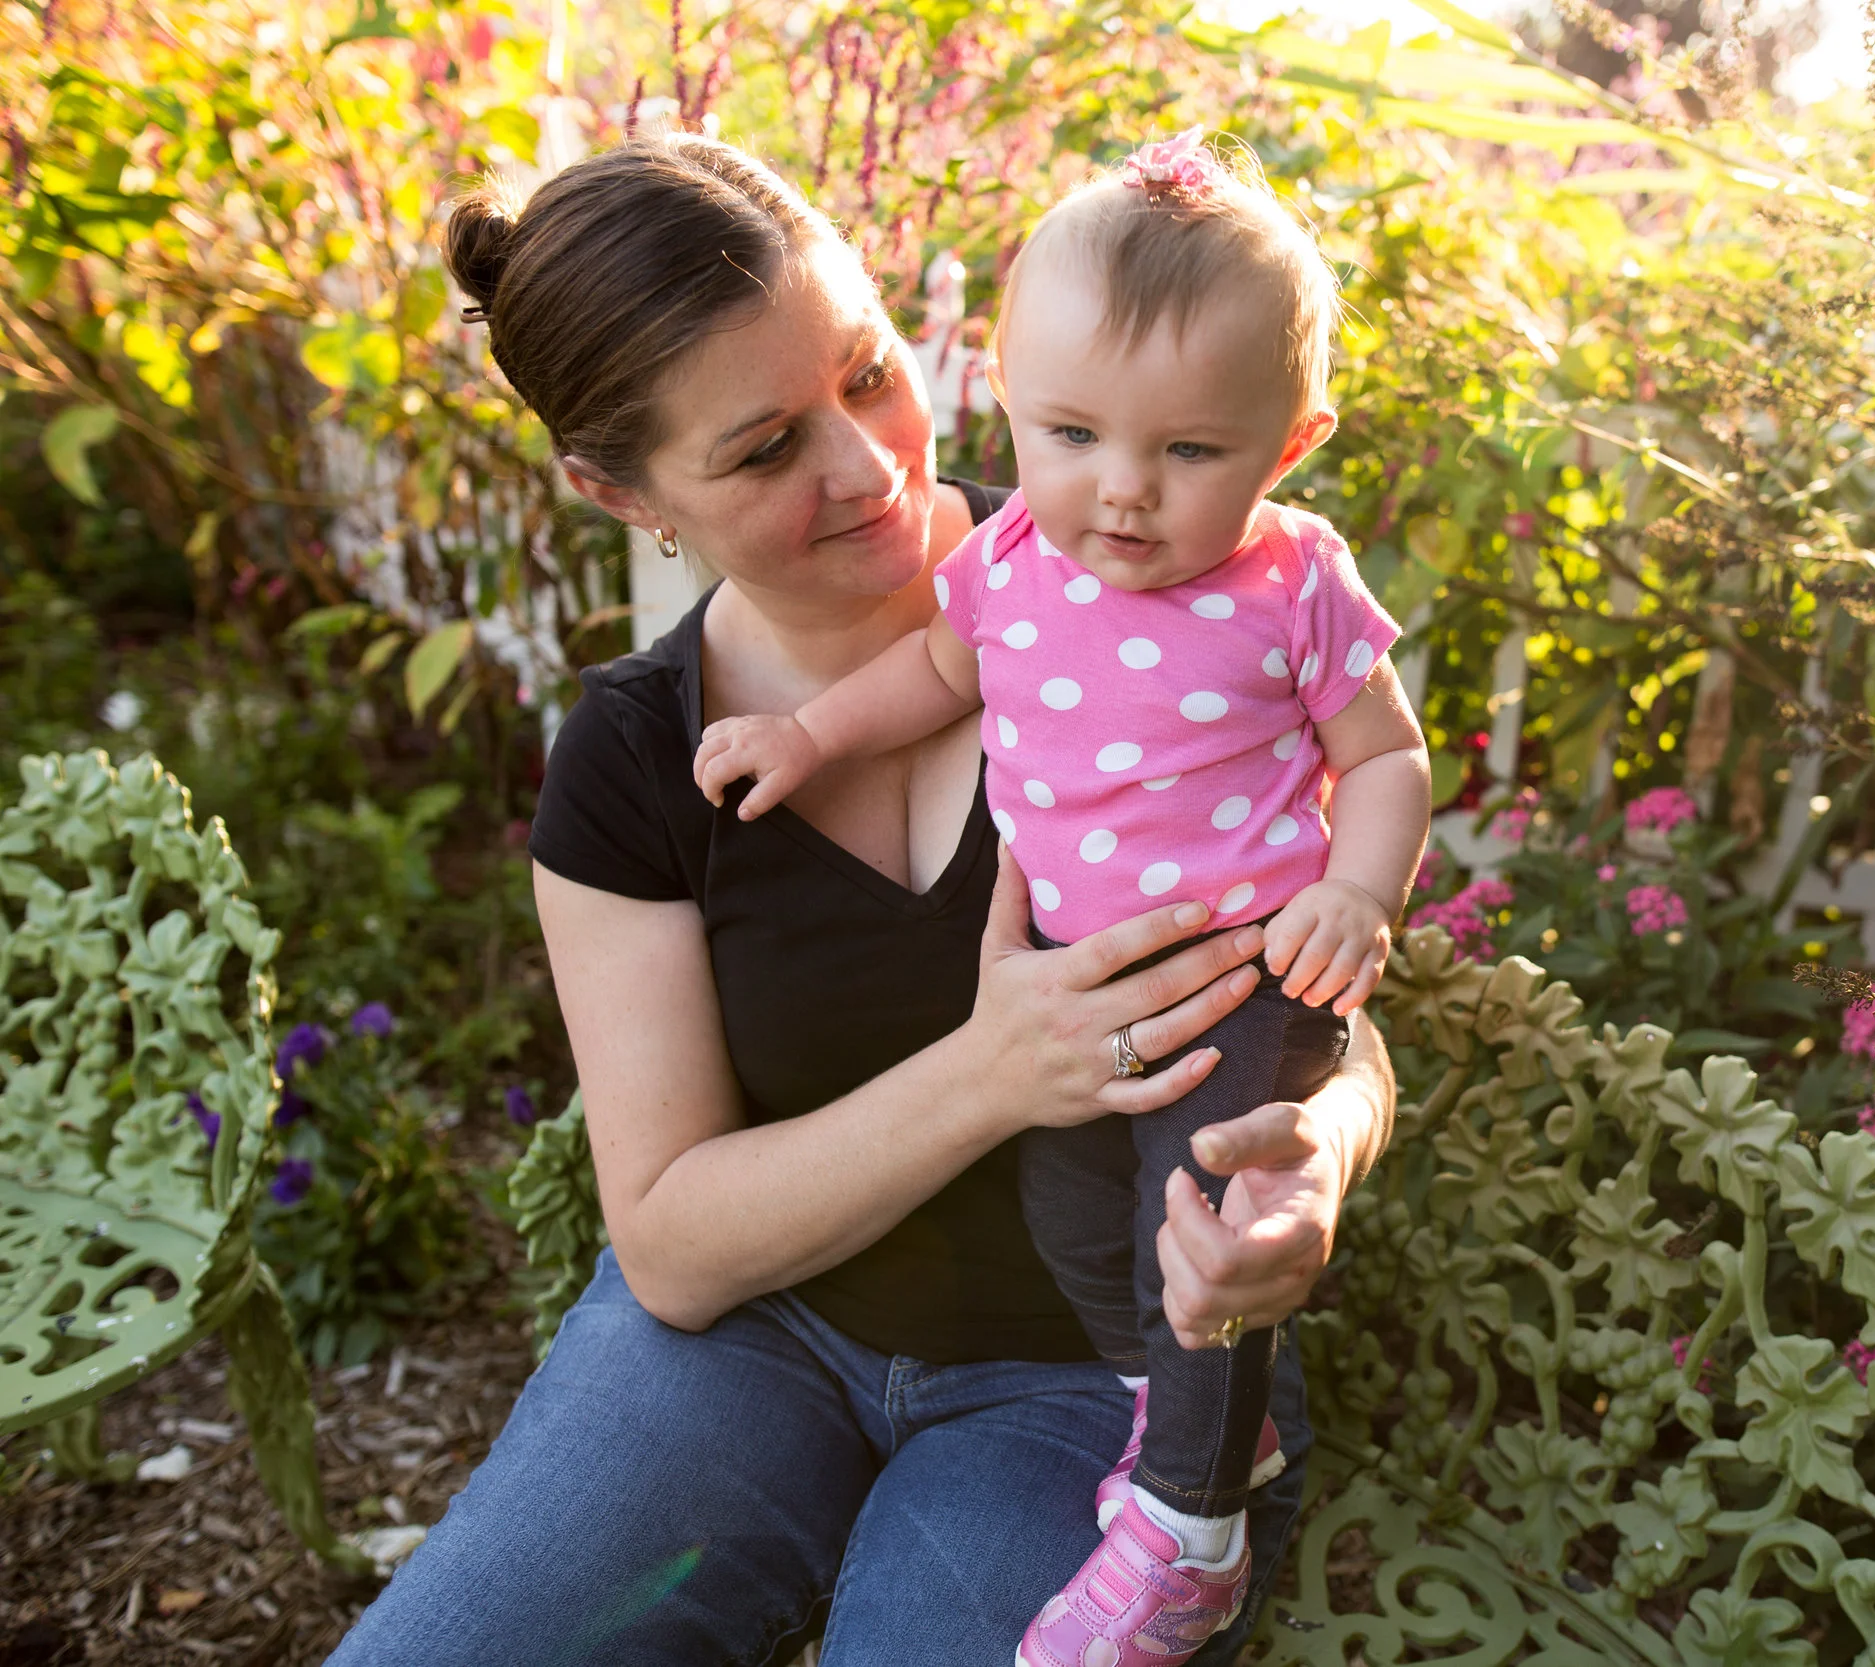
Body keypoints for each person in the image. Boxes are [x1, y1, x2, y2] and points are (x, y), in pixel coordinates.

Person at [323, 131, 1396, 1667]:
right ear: (622, 492)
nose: (870, 463)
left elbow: (1325, 1007)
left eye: (871, 372)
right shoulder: (633, 761)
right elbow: (674, 1242)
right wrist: (994, 1071)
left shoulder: (1140, 587)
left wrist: (1317, 1162)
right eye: (766, 449)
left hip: (1091, 1377)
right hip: (752, 1343)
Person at [689, 129, 1429, 1667]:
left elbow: (1386, 754)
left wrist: (1359, 892)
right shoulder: (1014, 559)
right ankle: (1184, 1409)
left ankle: (1187, 1530)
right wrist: (809, 734)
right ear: (1004, 397)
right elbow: (934, 671)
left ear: (1291, 442)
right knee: (1076, 1214)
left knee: (1196, 1235)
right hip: (1077, 989)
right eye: (1073, 432)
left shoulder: (1294, 582)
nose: (1125, 491)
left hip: (1242, 974)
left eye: (1190, 451)